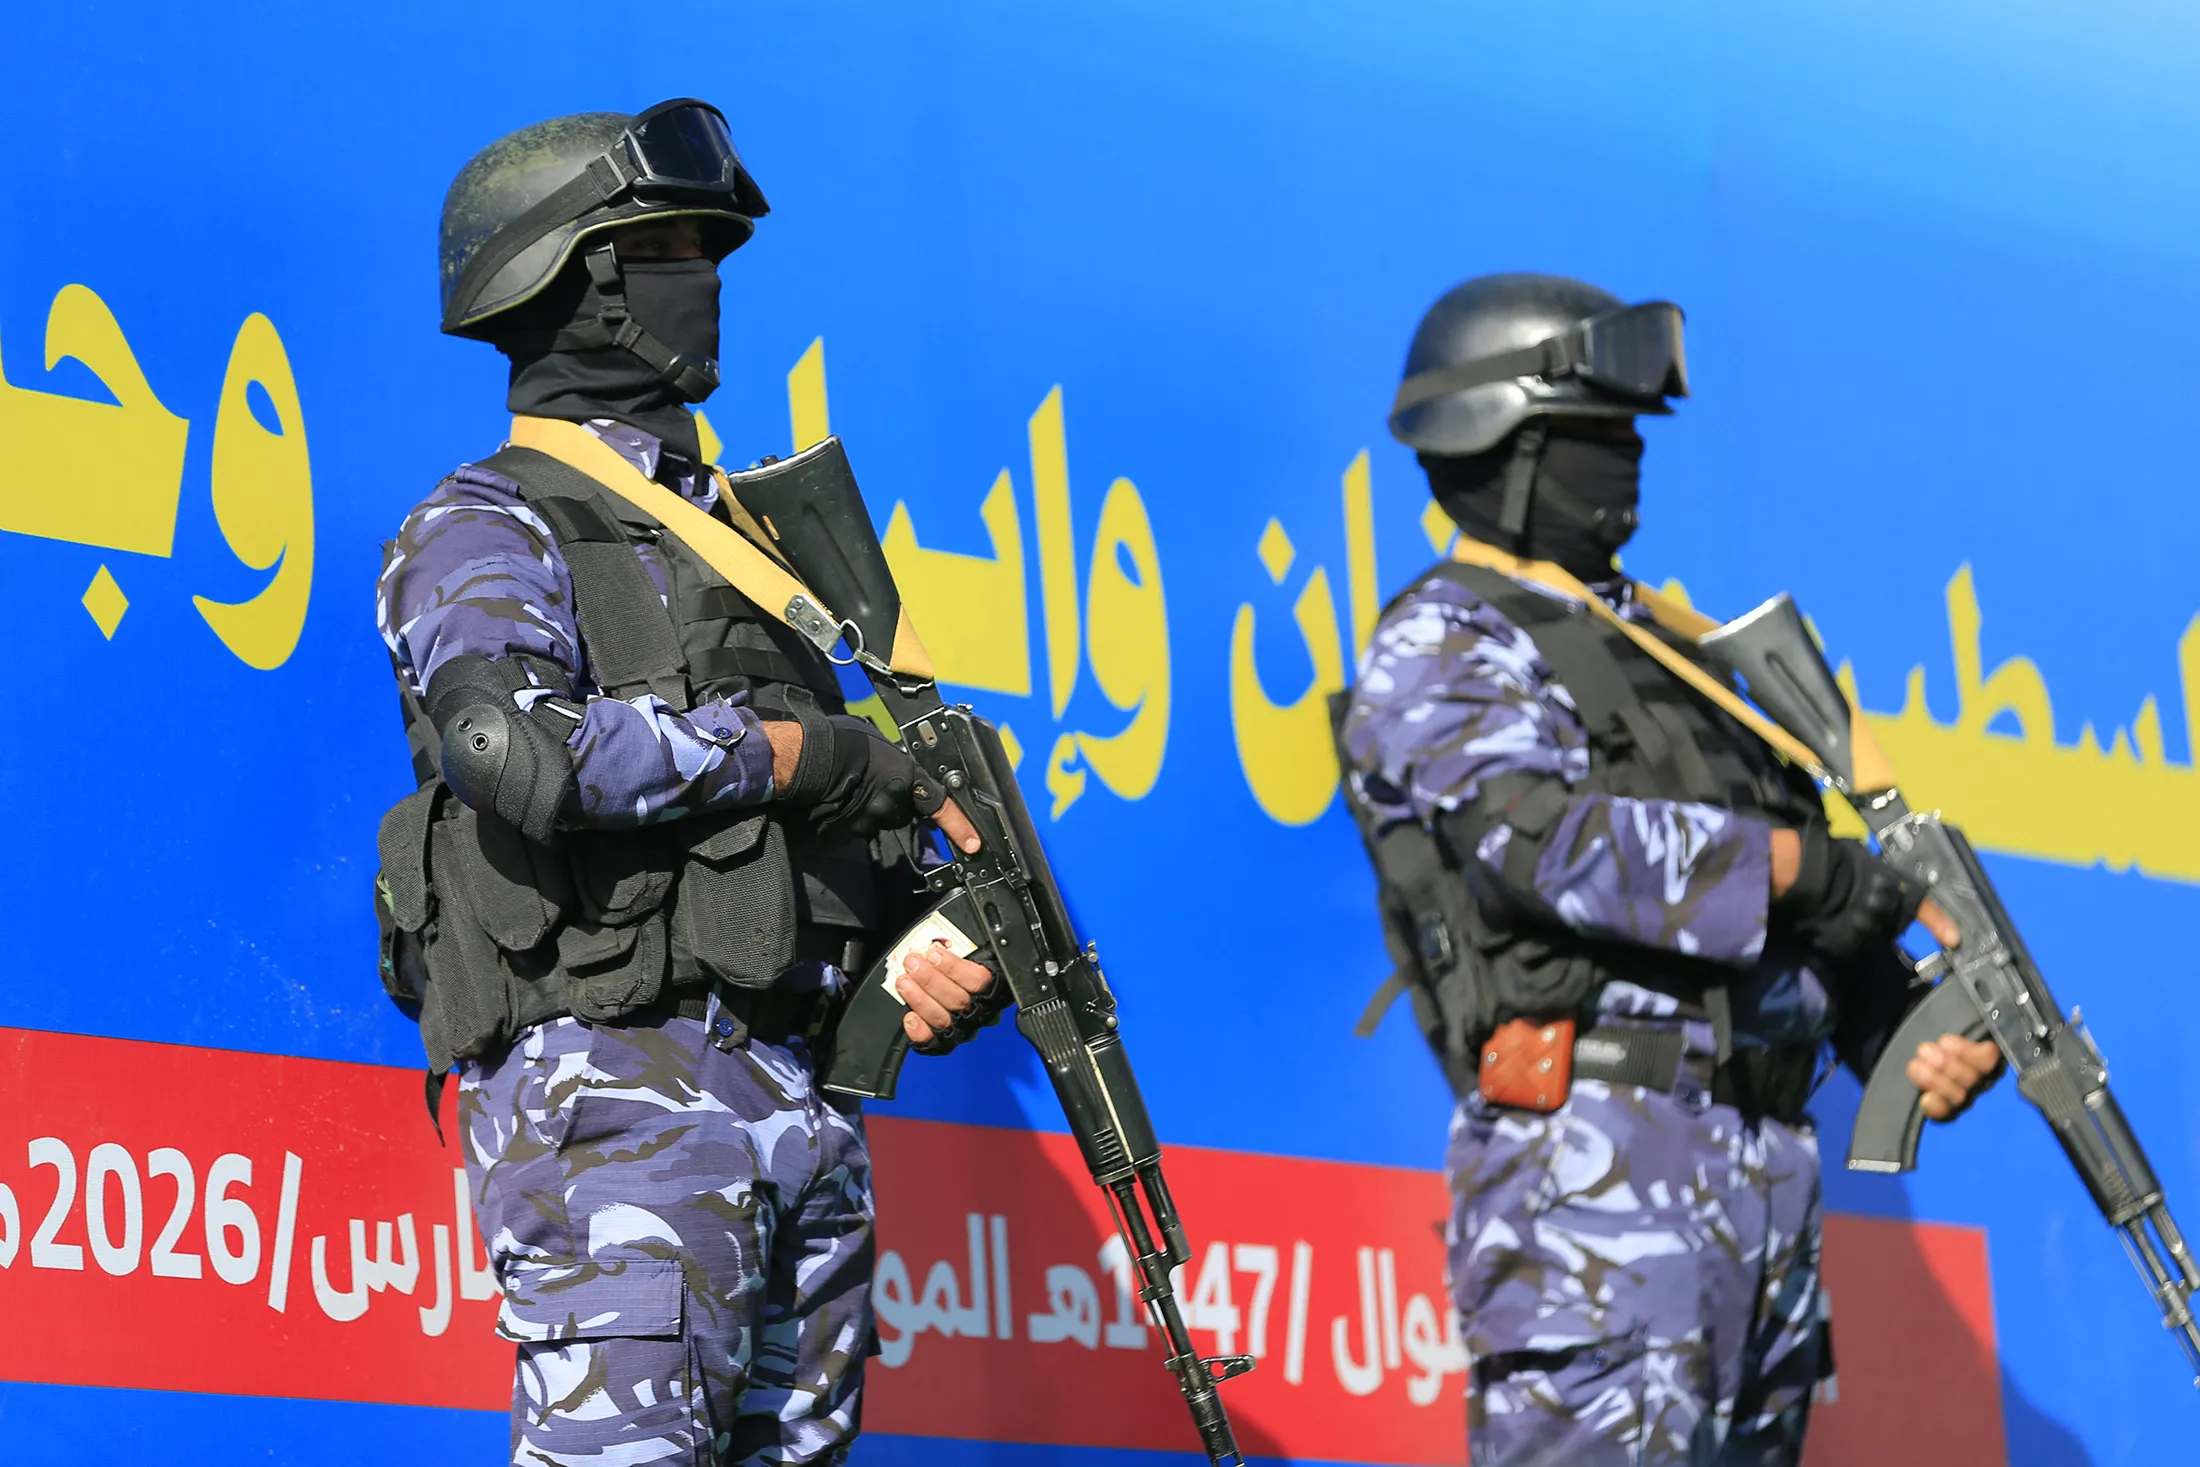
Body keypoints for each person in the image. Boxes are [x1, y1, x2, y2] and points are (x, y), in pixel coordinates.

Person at [372, 100, 1000, 1466]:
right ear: (570, 275)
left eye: (706, 247)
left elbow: (820, 839)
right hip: (617, 1094)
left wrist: (926, 943)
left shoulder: (759, 551)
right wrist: (791, 753)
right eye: (666, 245)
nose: (702, 277)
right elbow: (516, 754)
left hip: (797, 1097)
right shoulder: (488, 519)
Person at [1335, 273, 2002, 1465]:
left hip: (1760, 1203)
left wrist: (1891, 1023)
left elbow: (1793, 893)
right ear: (1512, 449)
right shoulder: (1445, 641)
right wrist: (1817, 875)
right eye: (1601, 437)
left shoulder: (1677, 651)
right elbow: (1547, 848)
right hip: (1595, 1200)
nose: (1629, 461)